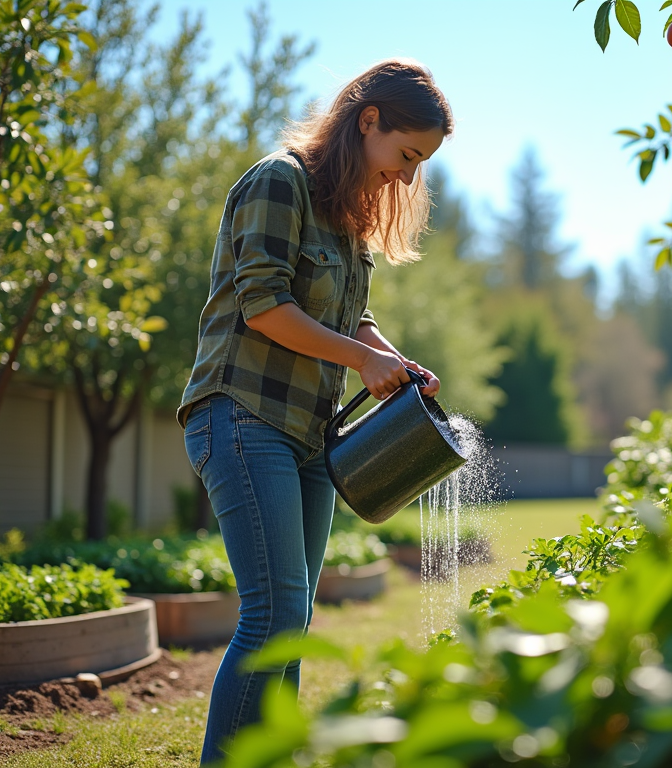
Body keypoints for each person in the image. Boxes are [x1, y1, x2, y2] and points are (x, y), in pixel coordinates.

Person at [176, 58, 453, 764]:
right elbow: (266, 308)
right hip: (242, 418)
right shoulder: (280, 182)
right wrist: (363, 362)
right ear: (369, 121)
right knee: (271, 616)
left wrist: (395, 359)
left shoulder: (346, 220)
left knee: (291, 622)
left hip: (307, 437)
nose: (408, 175)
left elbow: (354, 318)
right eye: (407, 154)